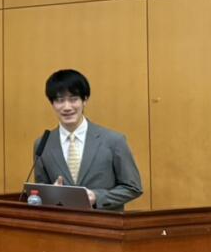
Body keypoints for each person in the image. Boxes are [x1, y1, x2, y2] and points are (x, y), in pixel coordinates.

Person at [31, 69, 142, 210]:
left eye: (73, 99)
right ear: (52, 103)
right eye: (60, 100)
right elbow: (40, 191)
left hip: (104, 222)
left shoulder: (114, 140)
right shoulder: (43, 144)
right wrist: (51, 193)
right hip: (62, 221)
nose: (67, 107)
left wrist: (97, 197)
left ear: (85, 100)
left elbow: (133, 187)